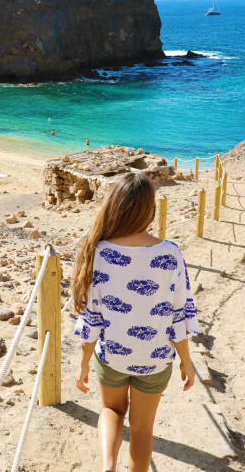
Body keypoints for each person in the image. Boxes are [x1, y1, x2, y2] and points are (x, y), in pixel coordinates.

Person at [72, 172, 200, 472]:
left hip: (113, 355)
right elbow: (177, 314)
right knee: (142, 430)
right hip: (155, 360)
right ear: (149, 208)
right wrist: (186, 361)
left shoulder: (98, 251)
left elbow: (93, 315)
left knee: (110, 410)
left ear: (114, 205)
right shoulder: (170, 253)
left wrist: (83, 362)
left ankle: (107, 468)